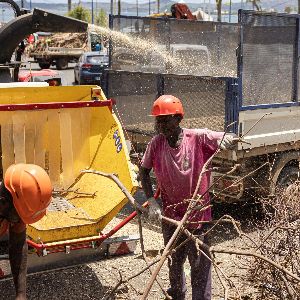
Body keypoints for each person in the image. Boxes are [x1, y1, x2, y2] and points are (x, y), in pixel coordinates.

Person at [139, 95, 236, 300]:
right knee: (174, 262)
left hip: (196, 216)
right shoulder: (156, 144)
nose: (161, 125)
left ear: (178, 119)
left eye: (165, 120)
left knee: (200, 264)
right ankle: (177, 295)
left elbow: (225, 136)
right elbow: (144, 172)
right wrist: (152, 201)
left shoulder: (197, 138)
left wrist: (228, 139)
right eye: (158, 120)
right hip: (171, 216)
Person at [0, 164, 52, 300]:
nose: (21, 222)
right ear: (4, 203)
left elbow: (18, 246)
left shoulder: (10, 206)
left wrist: (21, 294)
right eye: (20, 217)